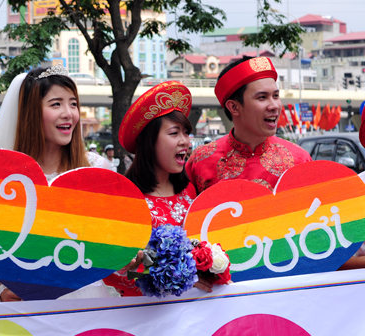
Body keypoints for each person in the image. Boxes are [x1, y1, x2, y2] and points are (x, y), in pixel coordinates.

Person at [0, 65, 113, 301]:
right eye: (56, 104)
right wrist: (2, 291)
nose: (69, 113)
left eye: (73, 103)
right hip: (26, 303)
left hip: (84, 296)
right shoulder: (8, 179)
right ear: (32, 112)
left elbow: (111, 242)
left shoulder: (96, 169)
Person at [103, 81, 204, 295]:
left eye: (186, 133)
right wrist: (154, 268)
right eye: (174, 133)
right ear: (150, 142)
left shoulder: (190, 192)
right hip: (141, 319)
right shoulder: (125, 200)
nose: (185, 141)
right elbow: (113, 273)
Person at [186, 56, 311, 194]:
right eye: (262, 97)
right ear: (234, 107)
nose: (275, 106)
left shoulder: (299, 160)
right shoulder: (200, 162)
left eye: (276, 96)